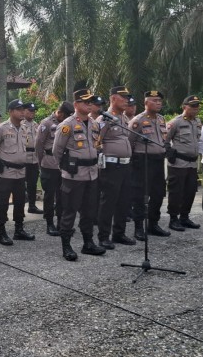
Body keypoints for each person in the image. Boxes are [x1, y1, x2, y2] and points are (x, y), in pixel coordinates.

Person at [52, 89, 106, 261]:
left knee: (89, 211)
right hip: (73, 176)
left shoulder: (94, 124)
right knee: (69, 211)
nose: (89, 105)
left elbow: (97, 146)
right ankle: (66, 247)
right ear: (76, 104)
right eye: (85, 102)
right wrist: (65, 169)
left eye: (91, 102)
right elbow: (57, 151)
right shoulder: (66, 125)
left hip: (92, 174)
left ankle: (88, 243)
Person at [0, 99, 35, 245]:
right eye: (18, 109)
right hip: (6, 172)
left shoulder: (24, 128)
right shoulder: (1, 128)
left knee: (20, 202)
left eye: (23, 109)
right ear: (11, 111)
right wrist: (0, 162)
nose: (22, 112)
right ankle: (2, 233)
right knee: (2, 203)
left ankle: (19, 230)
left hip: (20, 171)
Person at [95, 86, 136, 249]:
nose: (127, 100)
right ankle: (104, 236)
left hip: (125, 165)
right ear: (113, 99)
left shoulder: (124, 118)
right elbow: (96, 142)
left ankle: (119, 233)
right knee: (108, 202)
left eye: (128, 98)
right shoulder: (104, 119)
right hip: (111, 166)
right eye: (123, 97)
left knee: (123, 202)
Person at [128, 90, 171, 240]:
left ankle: (153, 224)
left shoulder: (161, 119)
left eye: (160, 100)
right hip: (142, 161)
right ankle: (139, 228)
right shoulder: (137, 120)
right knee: (140, 195)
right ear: (146, 103)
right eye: (154, 100)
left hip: (159, 161)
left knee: (158, 193)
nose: (158, 103)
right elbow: (129, 141)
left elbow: (163, 139)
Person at [36, 101, 74, 236]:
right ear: (60, 113)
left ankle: (61, 223)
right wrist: (40, 164)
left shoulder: (68, 123)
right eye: (66, 116)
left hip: (62, 165)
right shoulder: (46, 123)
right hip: (49, 163)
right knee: (49, 195)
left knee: (62, 196)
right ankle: (49, 223)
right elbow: (39, 145)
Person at [166, 95, 203, 231]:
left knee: (190, 191)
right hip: (178, 163)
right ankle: (173, 219)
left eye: (197, 106)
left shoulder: (197, 121)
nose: (196, 108)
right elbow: (164, 140)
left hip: (192, 164)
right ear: (184, 107)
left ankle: (185, 217)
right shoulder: (175, 122)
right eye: (193, 106)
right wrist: (169, 154)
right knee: (176, 192)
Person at [21, 102, 43, 214]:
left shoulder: (37, 125)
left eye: (33, 111)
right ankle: (19, 207)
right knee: (20, 184)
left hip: (34, 158)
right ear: (23, 111)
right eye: (29, 110)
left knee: (32, 184)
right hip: (23, 158)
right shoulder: (19, 125)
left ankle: (32, 206)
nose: (32, 113)